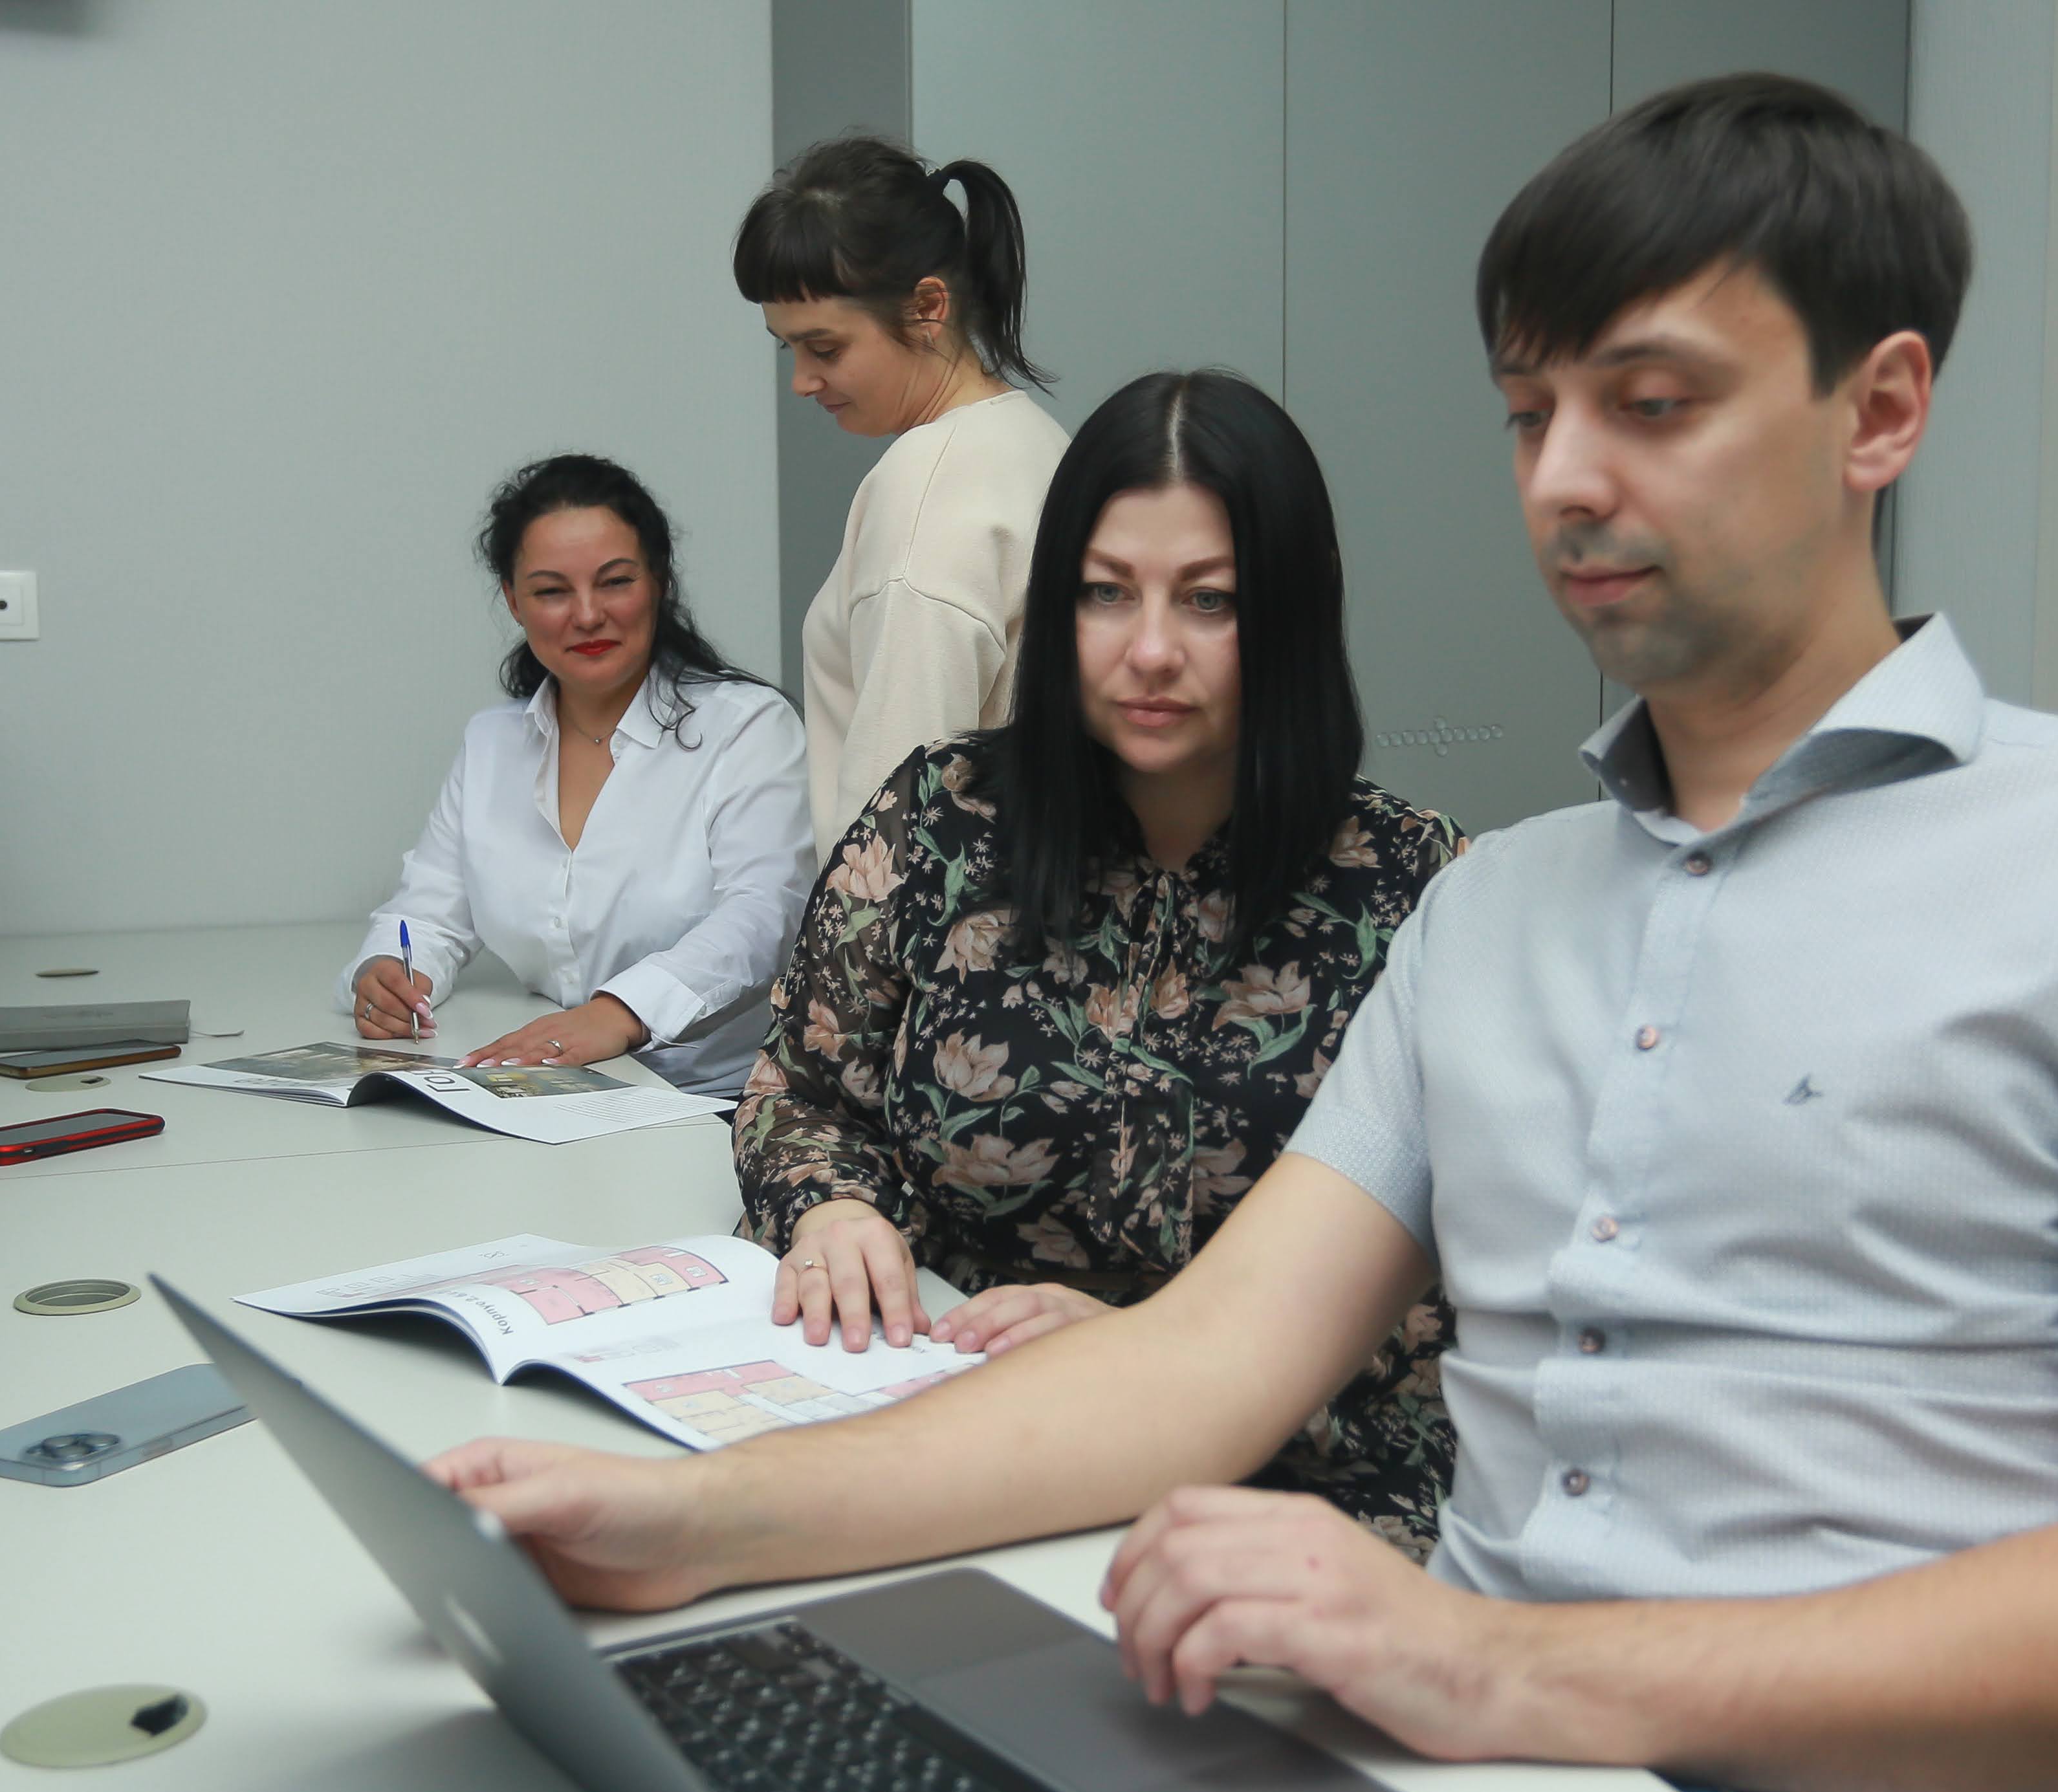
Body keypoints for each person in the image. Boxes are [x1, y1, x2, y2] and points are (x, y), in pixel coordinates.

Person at [432, 76, 2058, 1792]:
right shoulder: (1494, 912)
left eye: (1648, 403)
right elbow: (1189, 1367)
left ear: (1880, 409)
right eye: (1526, 411)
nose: (1565, 479)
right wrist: (693, 1527)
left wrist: (1491, 1660)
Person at [734, 369, 1468, 1554]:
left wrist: (1156, 1355)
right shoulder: (942, 819)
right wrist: (832, 1210)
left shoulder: (1413, 887)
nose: (1151, 651)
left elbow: (1468, 1284)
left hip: (1284, 1497)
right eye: (1104, 594)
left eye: (1211, 601)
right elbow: (801, 1091)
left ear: (1291, 610)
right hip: (953, 1431)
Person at [344, 455, 813, 1097]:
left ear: (660, 582)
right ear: (514, 601)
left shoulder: (748, 727)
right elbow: (429, 915)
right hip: (549, 1091)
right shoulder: (492, 742)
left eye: (615, 582)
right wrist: (388, 975)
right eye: (552, 591)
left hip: (720, 1101)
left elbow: (767, 914)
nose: (588, 615)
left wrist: (621, 1013)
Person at [736, 137, 1072, 844]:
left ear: (927, 307)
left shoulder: (927, 486)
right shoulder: (1037, 440)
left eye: (825, 348)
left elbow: (896, 824)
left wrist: (857, 916)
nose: (801, 381)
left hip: (937, 911)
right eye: (786, 347)